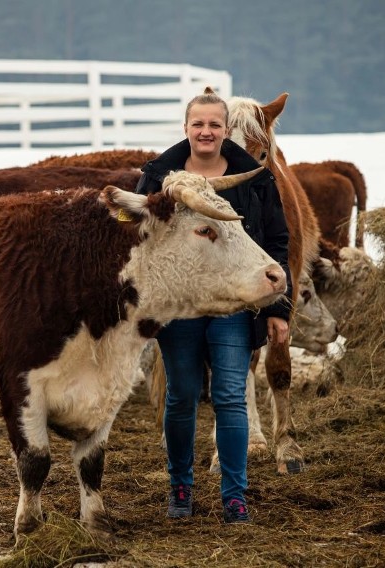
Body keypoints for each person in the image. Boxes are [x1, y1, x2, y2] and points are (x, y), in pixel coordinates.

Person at [135, 87, 292, 524]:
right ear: (186, 128)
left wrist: (279, 309)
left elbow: (278, 241)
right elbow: (141, 243)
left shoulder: (257, 178)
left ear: (227, 130)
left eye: (214, 125)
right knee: (182, 397)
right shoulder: (156, 178)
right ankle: (180, 487)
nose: (206, 131)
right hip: (181, 307)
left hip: (235, 307)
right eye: (198, 124)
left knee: (229, 397)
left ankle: (234, 495)